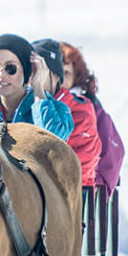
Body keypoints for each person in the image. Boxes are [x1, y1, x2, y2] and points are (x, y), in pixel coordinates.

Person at [60, 40, 125, 256]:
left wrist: (90, 184)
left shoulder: (88, 108)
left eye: (67, 66)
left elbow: (110, 155)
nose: (61, 71)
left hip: (86, 199)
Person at [0, 32, 73, 140]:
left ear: (26, 70)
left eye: (10, 68)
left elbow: (54, 143)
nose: (1, 75)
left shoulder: (58, 110)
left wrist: (39, 90)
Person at [32, 38, 102, 187]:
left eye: (39, 71)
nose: (33, 78)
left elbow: (52, 147)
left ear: (56, 75)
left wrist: (40, 95)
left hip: (74, 197)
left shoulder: (81, 110)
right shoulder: (29, 103)